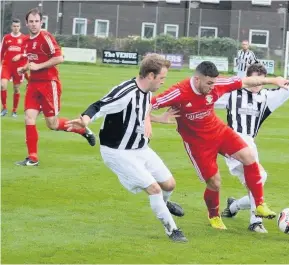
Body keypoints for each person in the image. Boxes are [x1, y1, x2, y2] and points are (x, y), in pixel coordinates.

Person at [151, 61, 289, 230]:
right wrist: (156, 119)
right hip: (198, 144)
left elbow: (246, 81)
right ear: (196, 80)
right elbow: (145, 105)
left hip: (219, 131)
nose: (212, 87)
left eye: (214, 83)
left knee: (249, 156)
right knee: (215, 183)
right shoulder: (178, 92)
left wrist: (274, 80)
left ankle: (259, 204)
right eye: (208, 83)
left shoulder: (217, 84)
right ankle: (214, 215)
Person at [66, 54, 187, 243]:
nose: (163, 82)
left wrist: (156, 119)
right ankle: (173, 230)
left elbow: (141, 111)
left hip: (140, 148)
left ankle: (163, 205)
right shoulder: (125, 92)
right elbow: (99, 105)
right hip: (118, 152)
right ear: (150, 76)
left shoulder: (147, 90)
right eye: (162, 78)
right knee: (154, 189)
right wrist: (85, 120)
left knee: (169, 184)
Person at [218, 43, 289, 233]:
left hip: (249, 145)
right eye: (254, 80)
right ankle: (255, 222)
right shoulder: (232, 94)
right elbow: (207, 97)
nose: (257, 84)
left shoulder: (267, 97)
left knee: (259, 179)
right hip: (231, 144)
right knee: (258, 178)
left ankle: (234, 206)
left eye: (261, 81)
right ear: (247, 79)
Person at [15, 8, 96, 166]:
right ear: (26, 23)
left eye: (36, 21)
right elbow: (33, 60)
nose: (33, 24)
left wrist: (38, 67)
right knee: (28, 118)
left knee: (52, 124)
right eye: (31, 21)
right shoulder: (26, 41)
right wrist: (25, 68)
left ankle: (81, 130)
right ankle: (33, 158)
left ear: (41, 22)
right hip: (33, 85)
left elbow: (59, 57)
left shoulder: (45, 37)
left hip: (48, 84)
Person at [1, 18, 28, 117]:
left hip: (18, 68)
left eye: (17, 26)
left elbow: (27, 54)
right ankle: (4, 108)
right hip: (7, 66)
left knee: (16, 88)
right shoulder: (6, 37)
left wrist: (21, 59)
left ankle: (14, 110)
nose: (16, 28)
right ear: (11, 27)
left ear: (20, 27)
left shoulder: (24, 39)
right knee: (3, 85)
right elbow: (1, 52)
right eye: (14, 26)